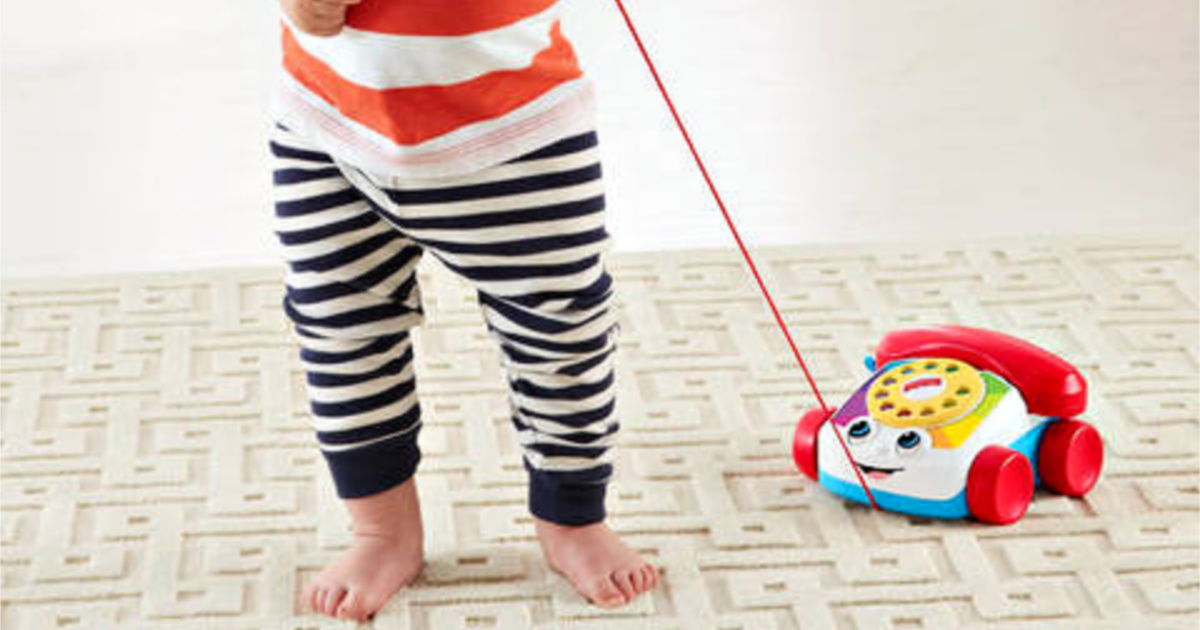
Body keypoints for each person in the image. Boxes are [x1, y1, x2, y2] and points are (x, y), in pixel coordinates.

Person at [268, 0, 658, 622]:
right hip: (332, 126)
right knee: (340, 328)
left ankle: (572, 514)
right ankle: (381, 529)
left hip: (516, 132)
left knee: (562, 334)